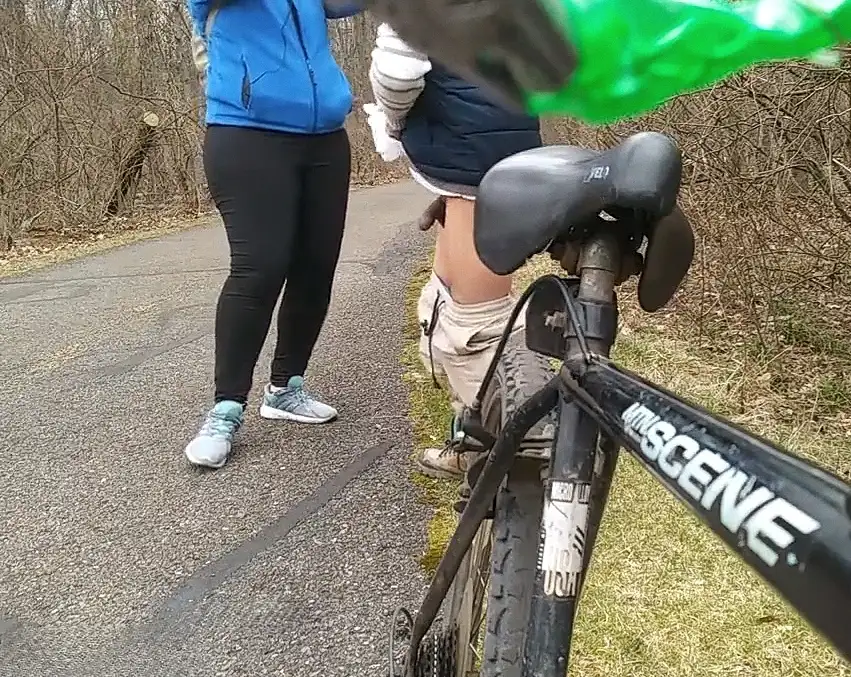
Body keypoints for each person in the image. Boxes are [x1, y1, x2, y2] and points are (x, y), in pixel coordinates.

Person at [183, 0, 362, 469]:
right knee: (260, 266)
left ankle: (286, 388)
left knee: (315, 267)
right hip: (246, 132)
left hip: (325, 136)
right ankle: (225, 409)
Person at [367, 23, 543, 479]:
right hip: (496, 152)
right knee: (443, 305)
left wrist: (395, 123)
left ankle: (519, 458)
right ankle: (475, 439)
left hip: (474, 162)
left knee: (473, 328)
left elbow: (398, 70)